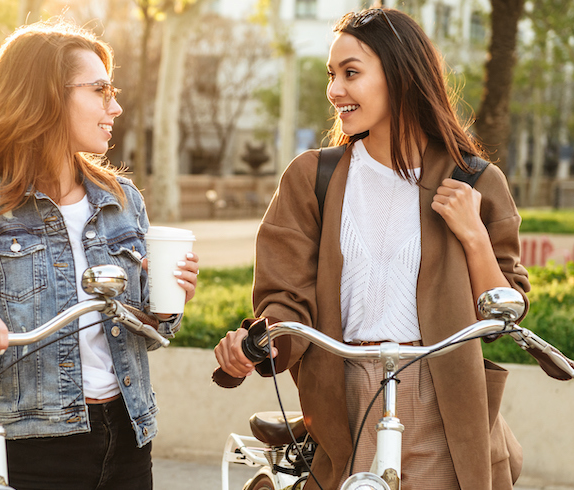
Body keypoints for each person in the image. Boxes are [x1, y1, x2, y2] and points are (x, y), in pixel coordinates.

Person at [213, 8, 529, 490]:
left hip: (445, 402)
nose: (334, 90)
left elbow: (506, 311)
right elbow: (285, 297)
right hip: (344, 401)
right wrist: (264, 343)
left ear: (401, 75)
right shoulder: (313, 177)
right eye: (331, 75)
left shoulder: (474, 181)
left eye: (351, 73)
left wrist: (475, 236)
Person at [0, 18, 199, 490]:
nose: (115, 106)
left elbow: (153, 329)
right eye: (100, 90)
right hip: (37, 449)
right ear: (47, 97)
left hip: (129, 433)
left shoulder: (123, 200)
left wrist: (167, 300)